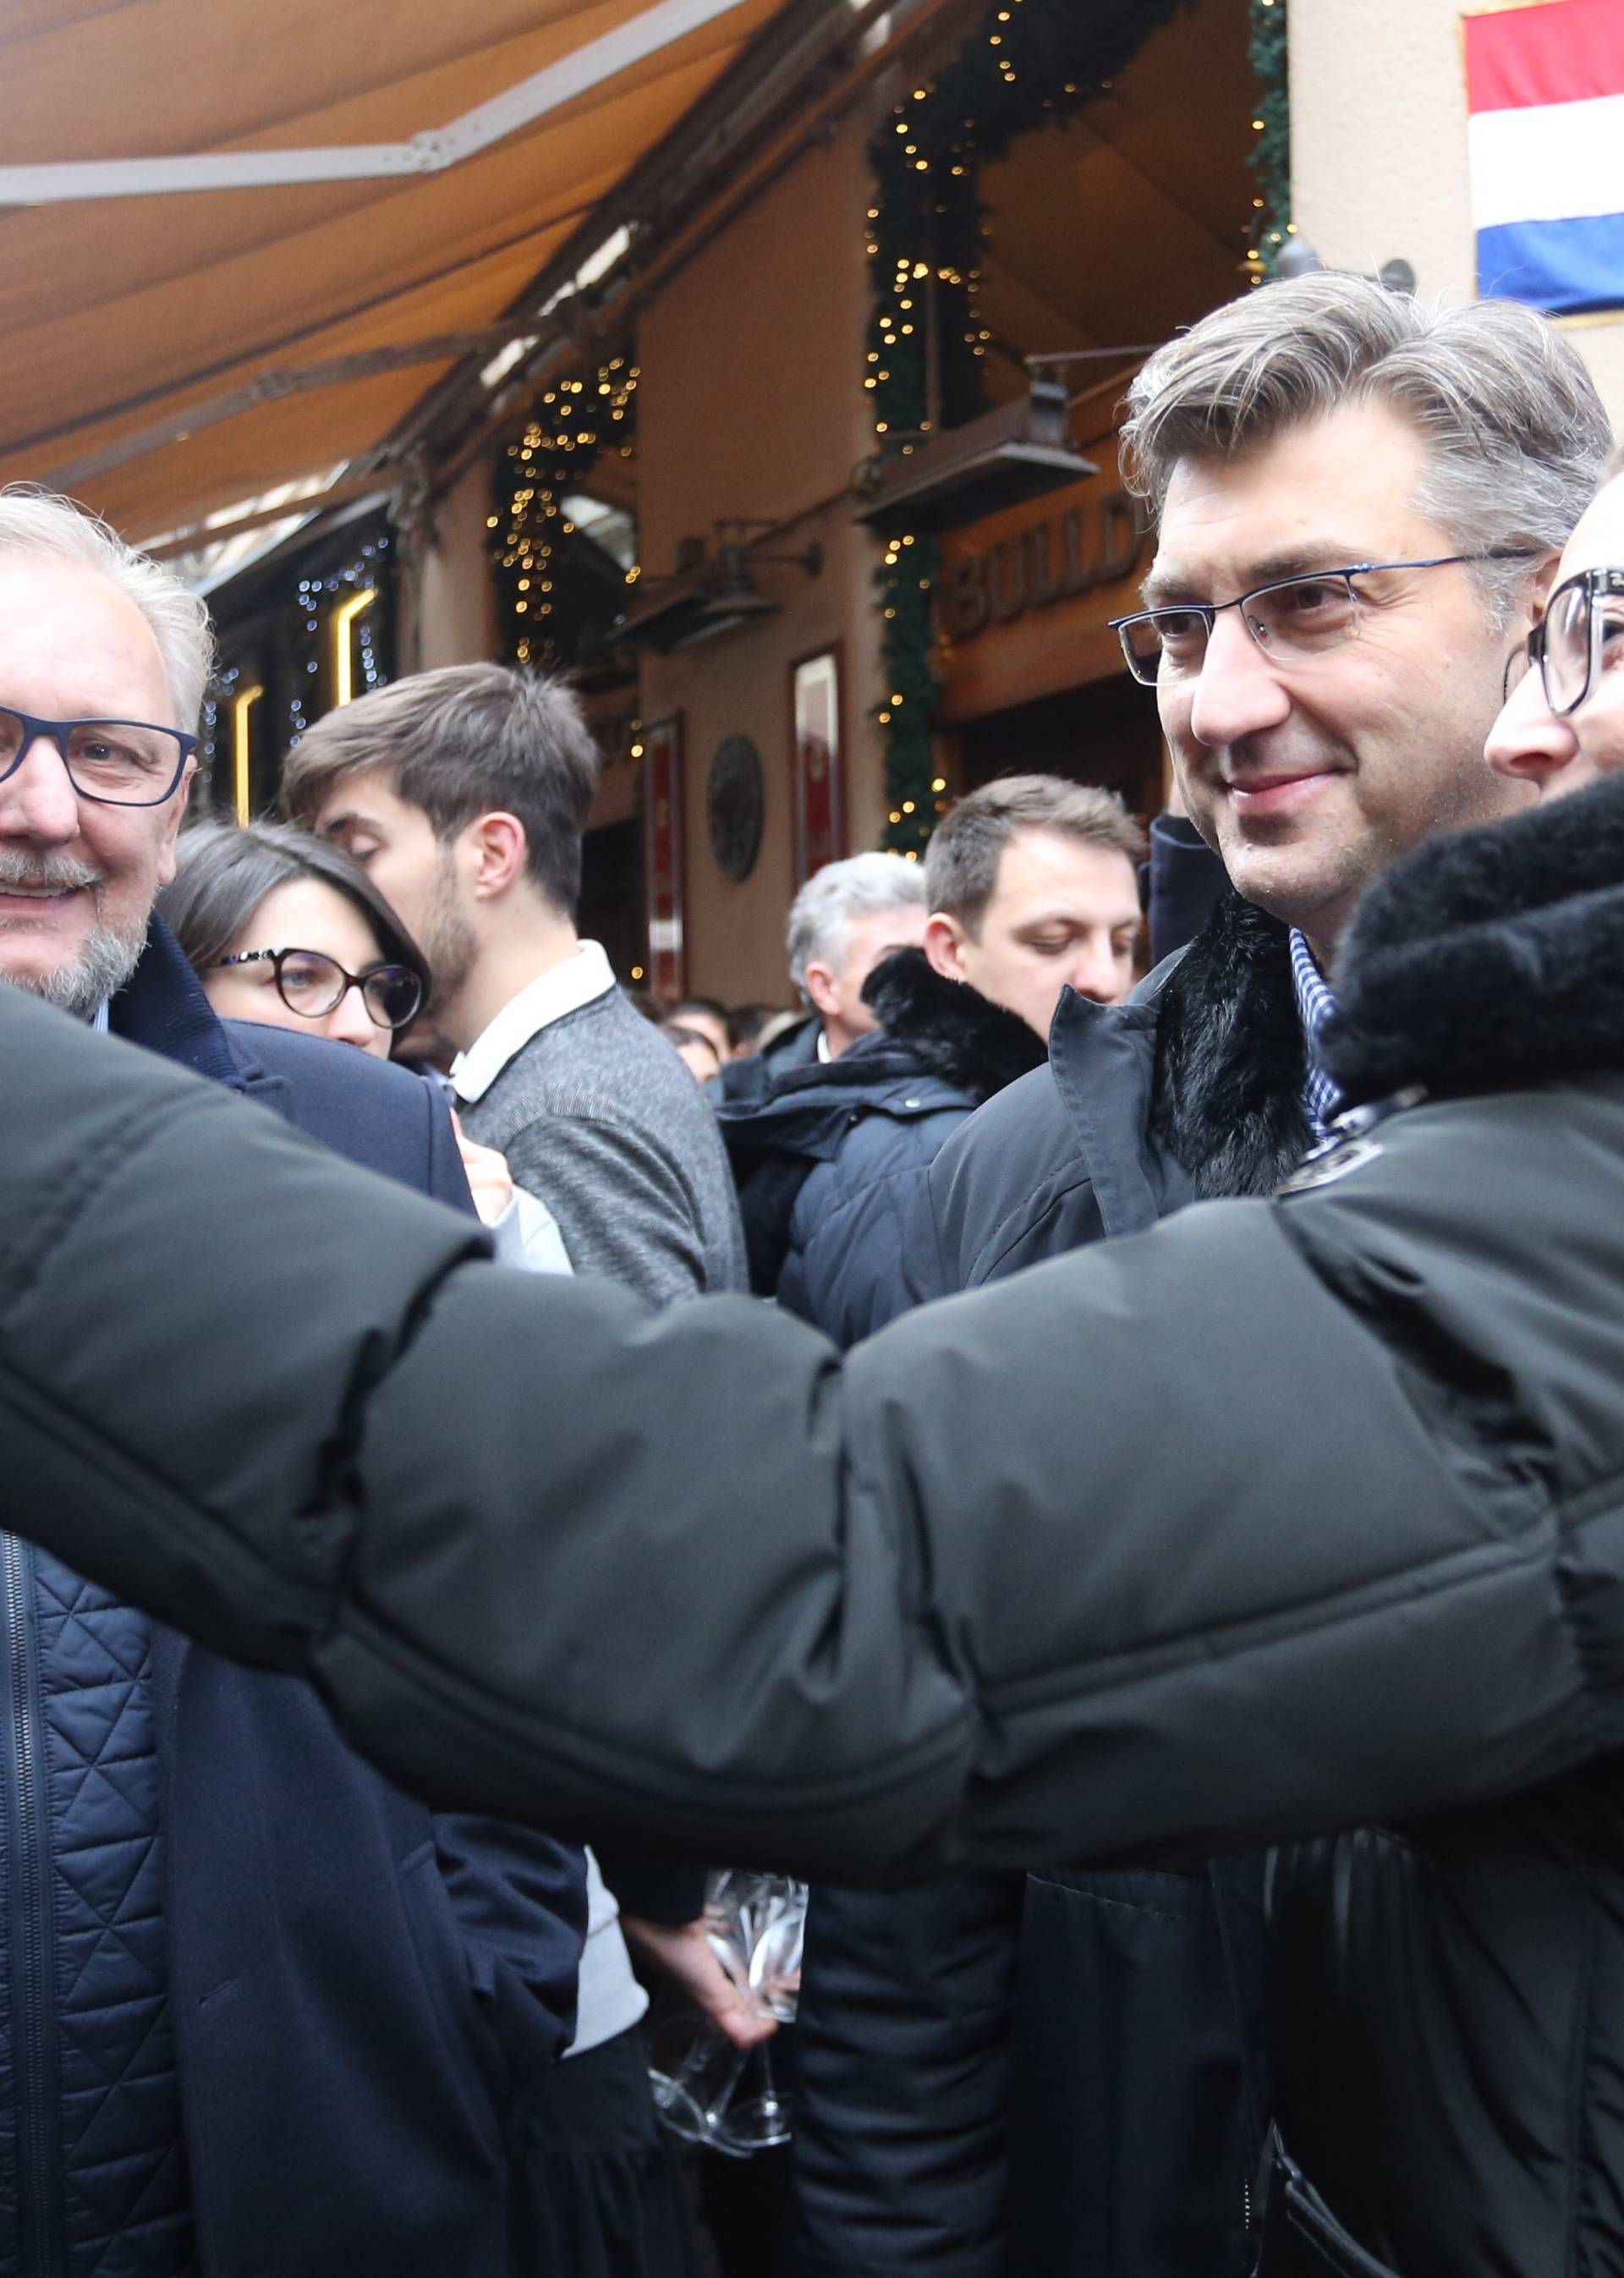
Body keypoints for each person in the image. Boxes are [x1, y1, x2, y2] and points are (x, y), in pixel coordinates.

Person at [793, 271, 1610, 2278]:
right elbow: (904, 1830)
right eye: (1179, 622)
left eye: (1313, 599)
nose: (1215, 700)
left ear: (1549, 613)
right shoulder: (1017, 1165)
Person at [0, 484, 591, 2275]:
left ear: (177, 800)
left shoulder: (364, 1137)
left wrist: (460, 1998)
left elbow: (503, 1643)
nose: (40, 810)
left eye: (107, 752)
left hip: (292, 2186)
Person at [280, 663, 746, 1306]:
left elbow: (638, 1395)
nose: (340, 890)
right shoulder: (582, 1067)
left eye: (360, 851)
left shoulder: (562, 1115)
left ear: (493, 854)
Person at [719, 777, 1142, 1345]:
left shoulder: (1073, 1106)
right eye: (1051, 940)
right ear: (948, 951)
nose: (1106, 977)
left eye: (1122, 942)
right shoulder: (916, 1162)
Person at [716, 851, 929, 1105]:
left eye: (934, 955)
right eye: (898, 960)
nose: (929, 975)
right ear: (825, 987)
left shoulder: (977, 1086)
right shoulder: (746, 1101)